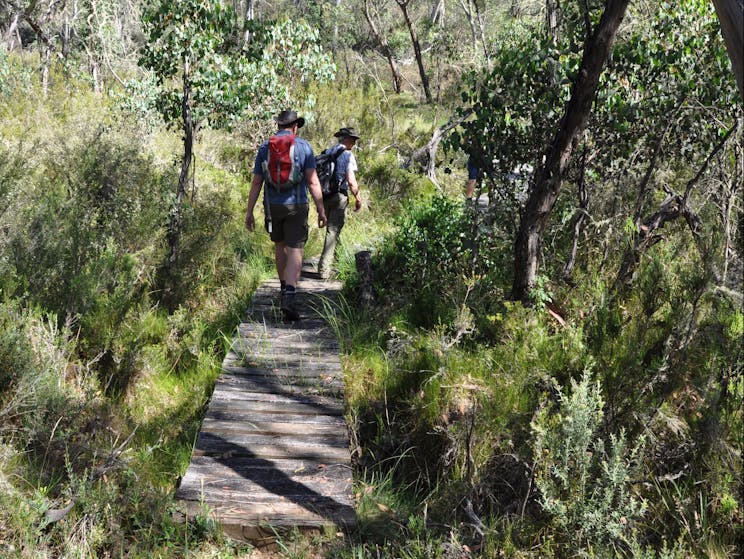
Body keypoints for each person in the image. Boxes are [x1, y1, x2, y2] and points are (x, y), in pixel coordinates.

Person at [245, 109, 327, 321]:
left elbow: (256, 182)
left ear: (279, 126)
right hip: (297, 206)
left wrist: (249, 211)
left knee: (280, 246)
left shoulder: (265, 147)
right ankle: (290, 296)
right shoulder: (304, 147)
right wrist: (321, 209)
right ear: (295, 126)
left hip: (273, 207)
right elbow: (312, 181)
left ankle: (283, 289)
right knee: (296, 249)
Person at [317, 127, 363, 280]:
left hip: (325, 196)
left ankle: (337, 262)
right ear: (346, 139)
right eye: (353, 140)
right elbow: (351, 180)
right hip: (339, 196)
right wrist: (358, 197)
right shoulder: (347, 155)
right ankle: (324, 269)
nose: (354, 143)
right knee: (333, 231)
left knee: (334, 229)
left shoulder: (328, 152)